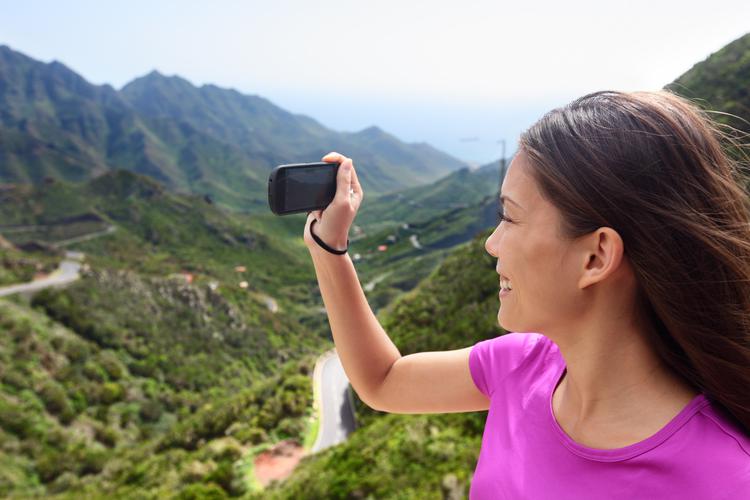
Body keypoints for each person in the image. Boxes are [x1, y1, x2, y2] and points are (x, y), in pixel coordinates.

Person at [302, 89, 750, 499]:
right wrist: (328, 247)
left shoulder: (724, 480)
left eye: (509, 218)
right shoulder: (524, 365)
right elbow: (383, 380)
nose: (491, 244)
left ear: (595, 257)